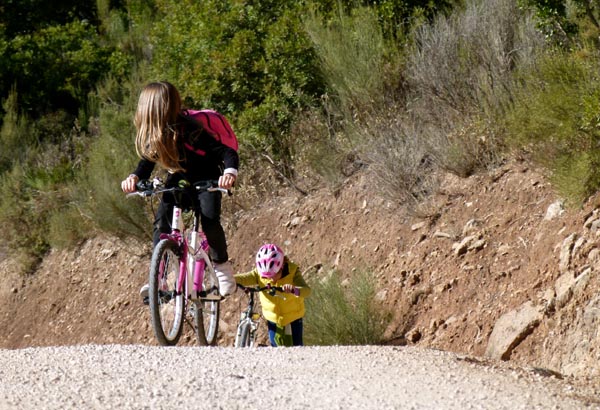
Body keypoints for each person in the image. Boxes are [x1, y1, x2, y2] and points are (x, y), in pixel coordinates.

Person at [121, 81, 238, 299]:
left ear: (155, 111)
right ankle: (159, 278)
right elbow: (146, 162)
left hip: (207, 178)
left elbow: (226, 153)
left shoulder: (190, 130)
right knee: (162, 223)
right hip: (179, 177)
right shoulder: (157, 136)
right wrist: (134, 178)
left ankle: (222, 267)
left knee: (210, 221)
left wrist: (229, 173)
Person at [235, 244, 311, 346]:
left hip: (294, 317)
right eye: (265, 277)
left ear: (281, 267)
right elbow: (244, 278)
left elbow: (307, 290)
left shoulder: (293, 271)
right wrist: (228, 279)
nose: (269, 279)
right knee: (275, 348)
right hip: (273, 318)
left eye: (272, 275)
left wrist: (294, 290)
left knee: (297, 347)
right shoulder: (259, 273)